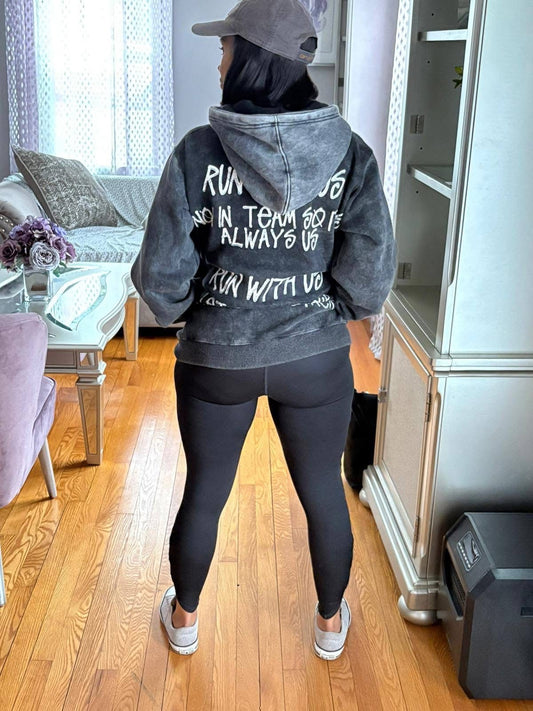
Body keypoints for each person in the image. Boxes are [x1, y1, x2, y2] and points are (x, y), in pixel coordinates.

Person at [131, 0, 397, 661]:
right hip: (315, 360)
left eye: (225, 49)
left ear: (252, 59)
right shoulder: (351, 155)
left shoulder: (197, 152)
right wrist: (325, 305)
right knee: (323, 493)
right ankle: (329, 625)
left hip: (216, 359)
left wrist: (198, 307)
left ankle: (184, 620)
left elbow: (160, 279)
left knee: (205, 491)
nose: (218, 61)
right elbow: (370, 277)